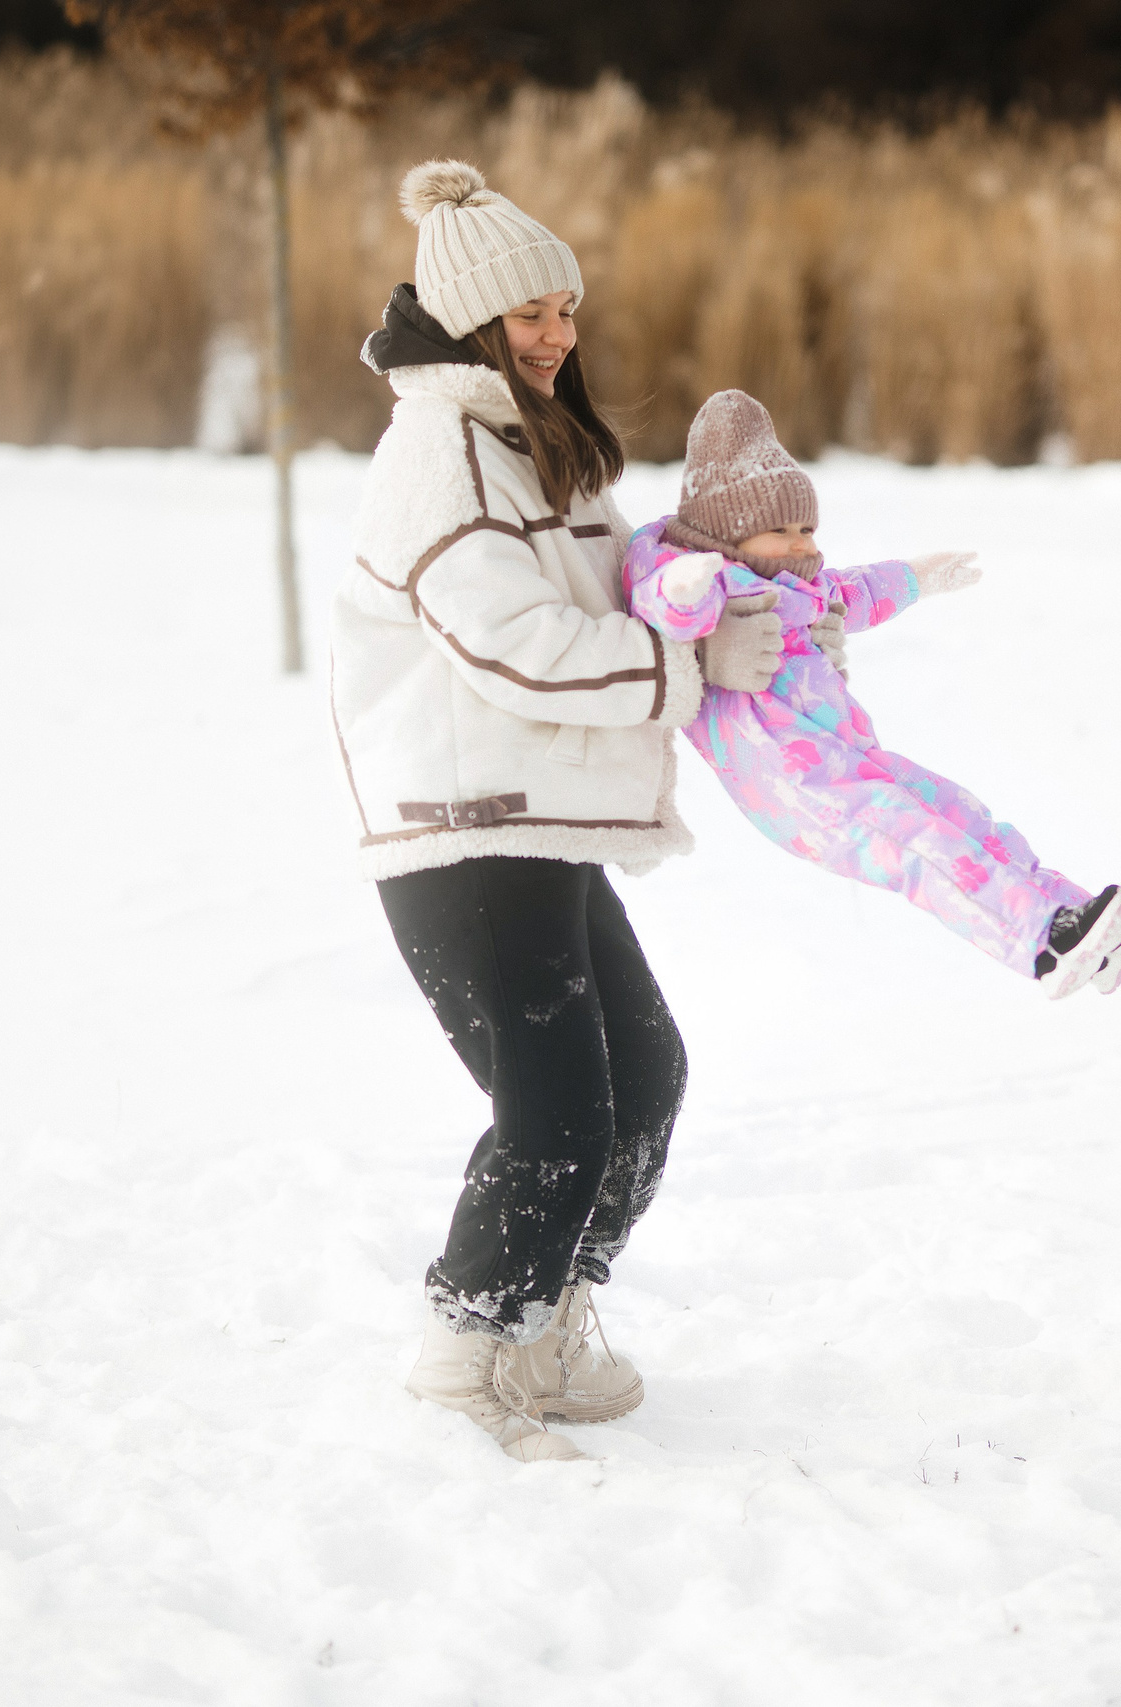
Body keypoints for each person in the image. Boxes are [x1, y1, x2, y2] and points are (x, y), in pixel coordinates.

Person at [330, 161, 792, 1462]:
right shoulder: (440, 455)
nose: (559, 335)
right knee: (554, 1110)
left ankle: (545, 1316)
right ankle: (464, 1356)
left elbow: (618, 592)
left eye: (567, 308)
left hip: (535, 816)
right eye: (533, 313)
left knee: (642, 1079)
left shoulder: (533, 441)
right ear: (475, 318)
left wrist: (724, 603)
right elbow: (512, 640)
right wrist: (684, 670)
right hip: (460, 827)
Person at [625, 389, 1121, 998]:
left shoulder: (799, 585)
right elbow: (664, 611)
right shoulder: (702, 576)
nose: (803, 544)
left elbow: (855, 590)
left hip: (853, 761)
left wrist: (915, 578)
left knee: (962, 815)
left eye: (808, 527)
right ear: (729, 532)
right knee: (925, 847)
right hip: (797, 789)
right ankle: (1044, 945)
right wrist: (686, 587)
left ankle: (1081, 922)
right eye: (782, 529)